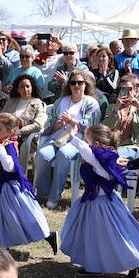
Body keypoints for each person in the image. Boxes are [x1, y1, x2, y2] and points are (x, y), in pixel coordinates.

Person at [58, 125, 139, 277]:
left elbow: (82, 147)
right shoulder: (109, 154)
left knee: (113, 235)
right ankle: (94, 265)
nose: (86, 143)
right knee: (94, 235)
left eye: (88, 140)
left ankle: (134, 261)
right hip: (101, 199)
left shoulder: (97, 156)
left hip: (101, 203)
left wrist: (72, 134)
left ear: (96, 143)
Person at [0, 114, 57, 254]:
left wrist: (1, 151)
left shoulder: (8, 146)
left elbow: (10, 167)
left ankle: (49, 236)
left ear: (10, 132)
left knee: (21, 218)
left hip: (10, 189)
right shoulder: (0, 143)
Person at [34, 71, 102, 208]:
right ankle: (43, 193)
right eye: (73, 83)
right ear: (69, 85)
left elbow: (91, 127)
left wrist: (71, 121)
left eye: (79, 82)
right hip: (58, 138)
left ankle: (54, 196)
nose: (76, 85)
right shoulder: (60, 101)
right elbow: (50, 124)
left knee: (63, 154)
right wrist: (57, 125)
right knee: (41, 154)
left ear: (85, 84)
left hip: (78, 140)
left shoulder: (91, 103)